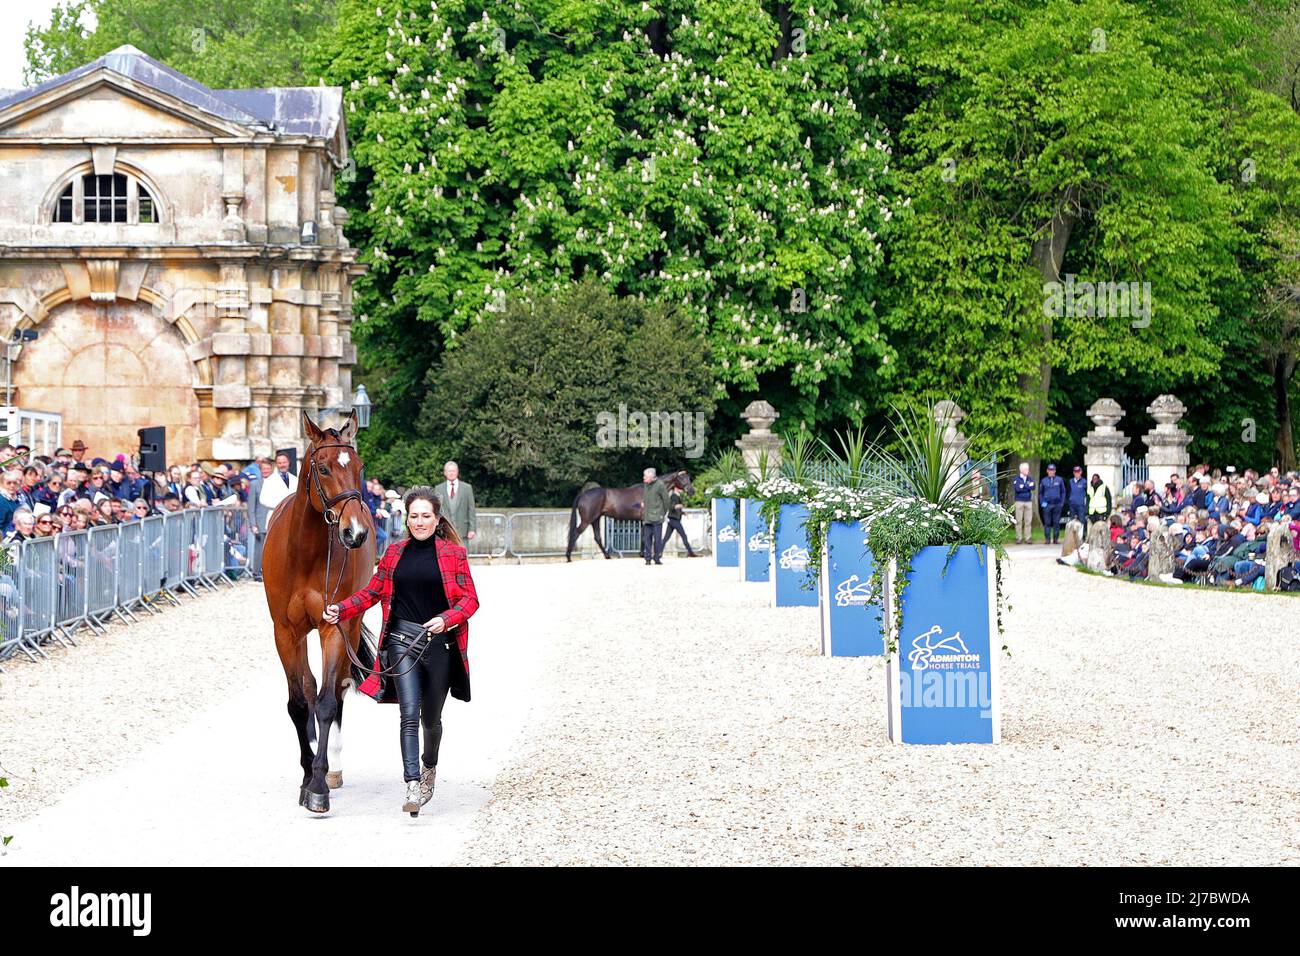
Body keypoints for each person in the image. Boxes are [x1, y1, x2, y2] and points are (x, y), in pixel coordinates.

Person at [322, 486, 480, 816]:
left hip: (439, 644)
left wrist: (446, 619)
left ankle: (428, 769)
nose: (419, 521)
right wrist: (341, 608)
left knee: (430, 720)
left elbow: (470, 600)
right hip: (401, 641)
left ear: (437, 520)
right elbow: (373, 592)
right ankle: (411, 784)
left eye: (425, 516)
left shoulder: (454, 555)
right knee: (408, 713)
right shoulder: (394, 553)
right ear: (406, 519)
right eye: (413, 516)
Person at [433, 461, 477, 542]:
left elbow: (471, 509)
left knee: (464, 553)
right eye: (449, 471)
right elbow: (436, 510)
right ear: (445, 473)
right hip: (444, 531)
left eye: (453, 471)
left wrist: (472, 529)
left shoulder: (467, 488)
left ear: (457, 472)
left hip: (463, 531)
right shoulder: (438, 488)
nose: (451, 473)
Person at [641, 467, 670, 565]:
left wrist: (663, 513)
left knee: (657, 539)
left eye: (645, 476)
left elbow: (666, 500)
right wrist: (643, 503)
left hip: (657, 517)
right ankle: (647, 558)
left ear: (651, 476)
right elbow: (645, 497)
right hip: (647, 517)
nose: (643, 478)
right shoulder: (646, 485)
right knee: (646, 539)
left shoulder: (660, 485)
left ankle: (657, 557)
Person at [662, 487, 698, 557]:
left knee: (666, 537)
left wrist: (682, 512)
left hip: (672, 519)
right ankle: (691, 553)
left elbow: (675, 509)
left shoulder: (676, 496)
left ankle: (658, 552)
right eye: (680, 488)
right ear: (676, 488)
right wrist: (677, 506)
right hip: (675, 520)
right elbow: (671, 507)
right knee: (683, 536)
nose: (682, 490)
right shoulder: (674, 496)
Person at [1039, 463, 1065, 545]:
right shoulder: (1044, 481)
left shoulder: (1059, 480)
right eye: (1050, 470)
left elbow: (1063, 492)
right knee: (1047, 523)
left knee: (1056, 523)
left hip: (1057, 504)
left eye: (1053, 470)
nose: (1051, 472)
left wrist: (1061, 503)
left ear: (1055, 471)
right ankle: (1047, 539)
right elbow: (1040, 493)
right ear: (1047, 471)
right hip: (1047, 505)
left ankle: (1055, 539)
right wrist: (1042, 502)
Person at [1012, 462, 1035, 544]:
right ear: (1021, 470)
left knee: (1028, 521)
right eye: (1026, 469)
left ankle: (1028, 538)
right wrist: (1027, 486)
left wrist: (1023, 486)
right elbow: (1017, 489)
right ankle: (1018, 538)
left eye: (1028, 469)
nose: (1027, 471)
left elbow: (1033, 487)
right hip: (1019, 501)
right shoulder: (1016, 479)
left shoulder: (1030, 478)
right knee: (1018, 521)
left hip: (1028, 501)